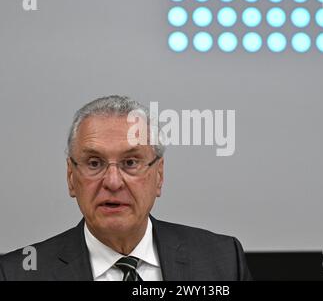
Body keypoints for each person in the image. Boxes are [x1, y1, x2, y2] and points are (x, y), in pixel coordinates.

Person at [0, 95, 251, 281]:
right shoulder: (16, 274)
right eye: (94, 163)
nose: (112, 182)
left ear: (159, 175)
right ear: (70, 177)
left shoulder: (221, 261)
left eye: (130, 163)